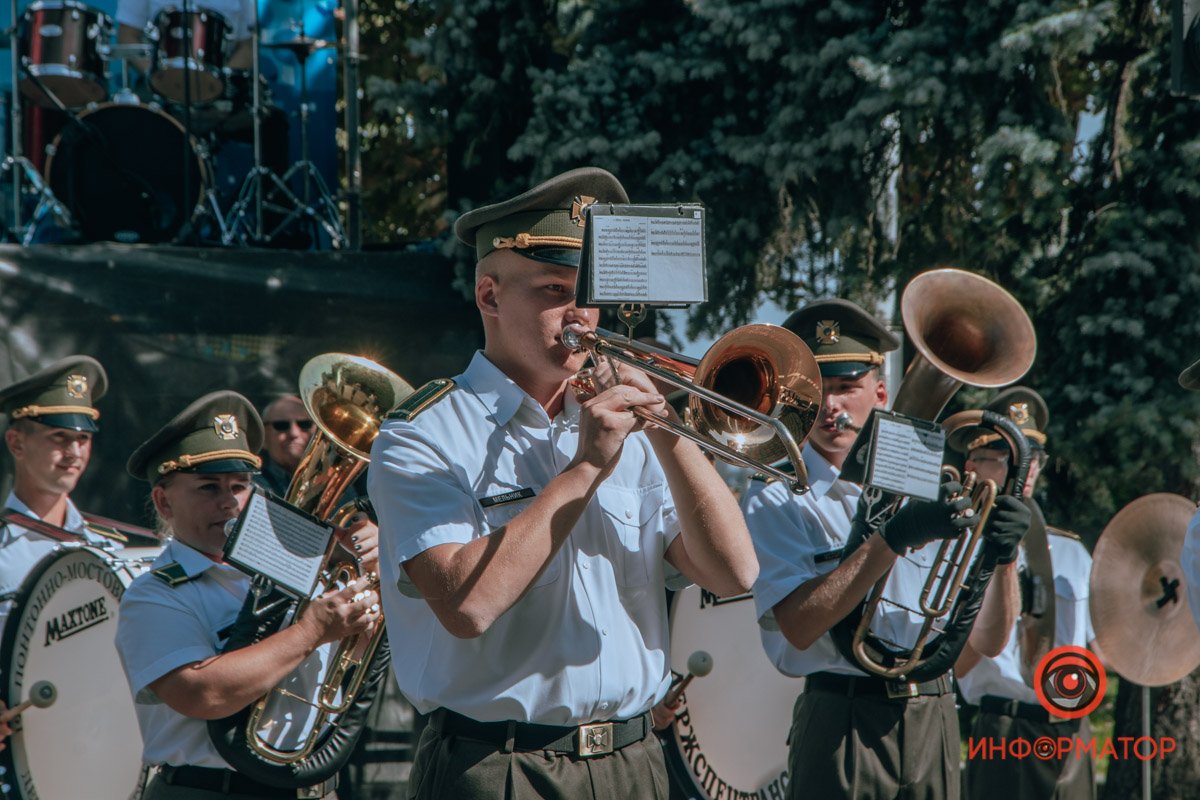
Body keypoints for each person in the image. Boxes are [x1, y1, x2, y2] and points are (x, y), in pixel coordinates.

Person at [367, 167, 759, 799]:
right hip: (500, 766)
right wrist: (584, 467)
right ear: (489, 296)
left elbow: (734, 573)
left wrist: (666, 428)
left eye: (589, 293)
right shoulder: (421, 434)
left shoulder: (624, 422)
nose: (582, 316)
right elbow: (467, 606)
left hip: (634, 762)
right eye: (554, 289)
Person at [740, 299, 1031, 800]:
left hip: (936, 712)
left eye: (848, 388)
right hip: (842, 717)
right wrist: (891, 539)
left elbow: (990, 641)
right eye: (818, 391)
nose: (832, 407)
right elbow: (800, 626)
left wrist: (1002, 556)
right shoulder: (774, 495)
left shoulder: (938, 483)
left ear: (879, 393)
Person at [115, 390, 380, 800]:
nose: (230, 503)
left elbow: (347, 671)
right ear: (163, 501)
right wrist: (311, 631)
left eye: (239, 486)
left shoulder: (302, 572)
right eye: (208, 488)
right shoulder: (152, 595)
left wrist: (372, 590)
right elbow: (203, 693)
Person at [951, 387, 1097, 800]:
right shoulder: (954, 551)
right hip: (1004, 727)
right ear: (973, 465)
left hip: (1073, 729)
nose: (1026, 469)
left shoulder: (1072, 551)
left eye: (1034, 458)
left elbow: (1096, 650)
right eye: (1009, 458)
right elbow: (959, 664)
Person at [0, 355, 113, 628]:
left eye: (82, 439)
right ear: (17, 444)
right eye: (59, 437)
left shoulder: (108, 547)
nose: (74, 453)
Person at [254, 394, 315, 497]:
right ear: (264, 438)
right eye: (281, 425)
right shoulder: (251, 487)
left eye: (305, 424)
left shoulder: (337, 485)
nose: (294, 433)